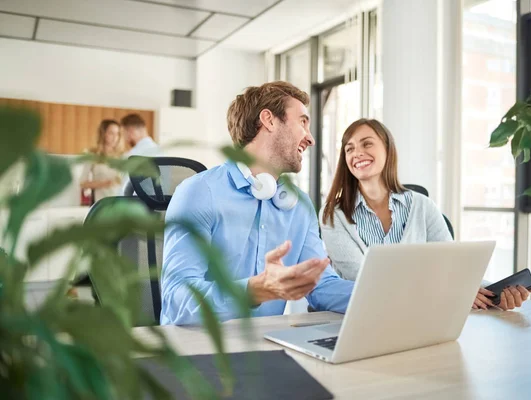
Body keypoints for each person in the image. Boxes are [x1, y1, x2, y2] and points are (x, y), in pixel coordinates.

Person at [160, 81, 354, 325]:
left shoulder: (299, 206)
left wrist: (383, 296)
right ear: (269, 120)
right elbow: (176, 301)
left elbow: (322, 286)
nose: (311, 139)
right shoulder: (200, 192)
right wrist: (254, 290)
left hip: (263, 347)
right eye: (303, 122)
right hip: (196, 351)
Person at [319, 118, 531, 311]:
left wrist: (493, 292)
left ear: (387, 149)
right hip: (365, 319)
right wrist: (452, 292)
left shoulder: (422, 206)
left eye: (367, 143)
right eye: (349, 149)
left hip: (423, 318)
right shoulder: (333, 215)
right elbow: (362, 280)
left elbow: (452, 266)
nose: (357, 153)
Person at [79, 119, 124, 202]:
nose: (115, 137)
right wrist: (105, 184)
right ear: (103, 134)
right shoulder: (92, 155)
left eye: (117, 134)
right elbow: (82, 183)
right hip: (101, 203)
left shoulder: (122, 156)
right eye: (111, 133)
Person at [119, 113, 160, 195]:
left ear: (130, 130)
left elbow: (124, 190)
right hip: (160, 205)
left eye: (124, 134)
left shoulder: (130, 156)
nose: (126, 139)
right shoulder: (162, 152)